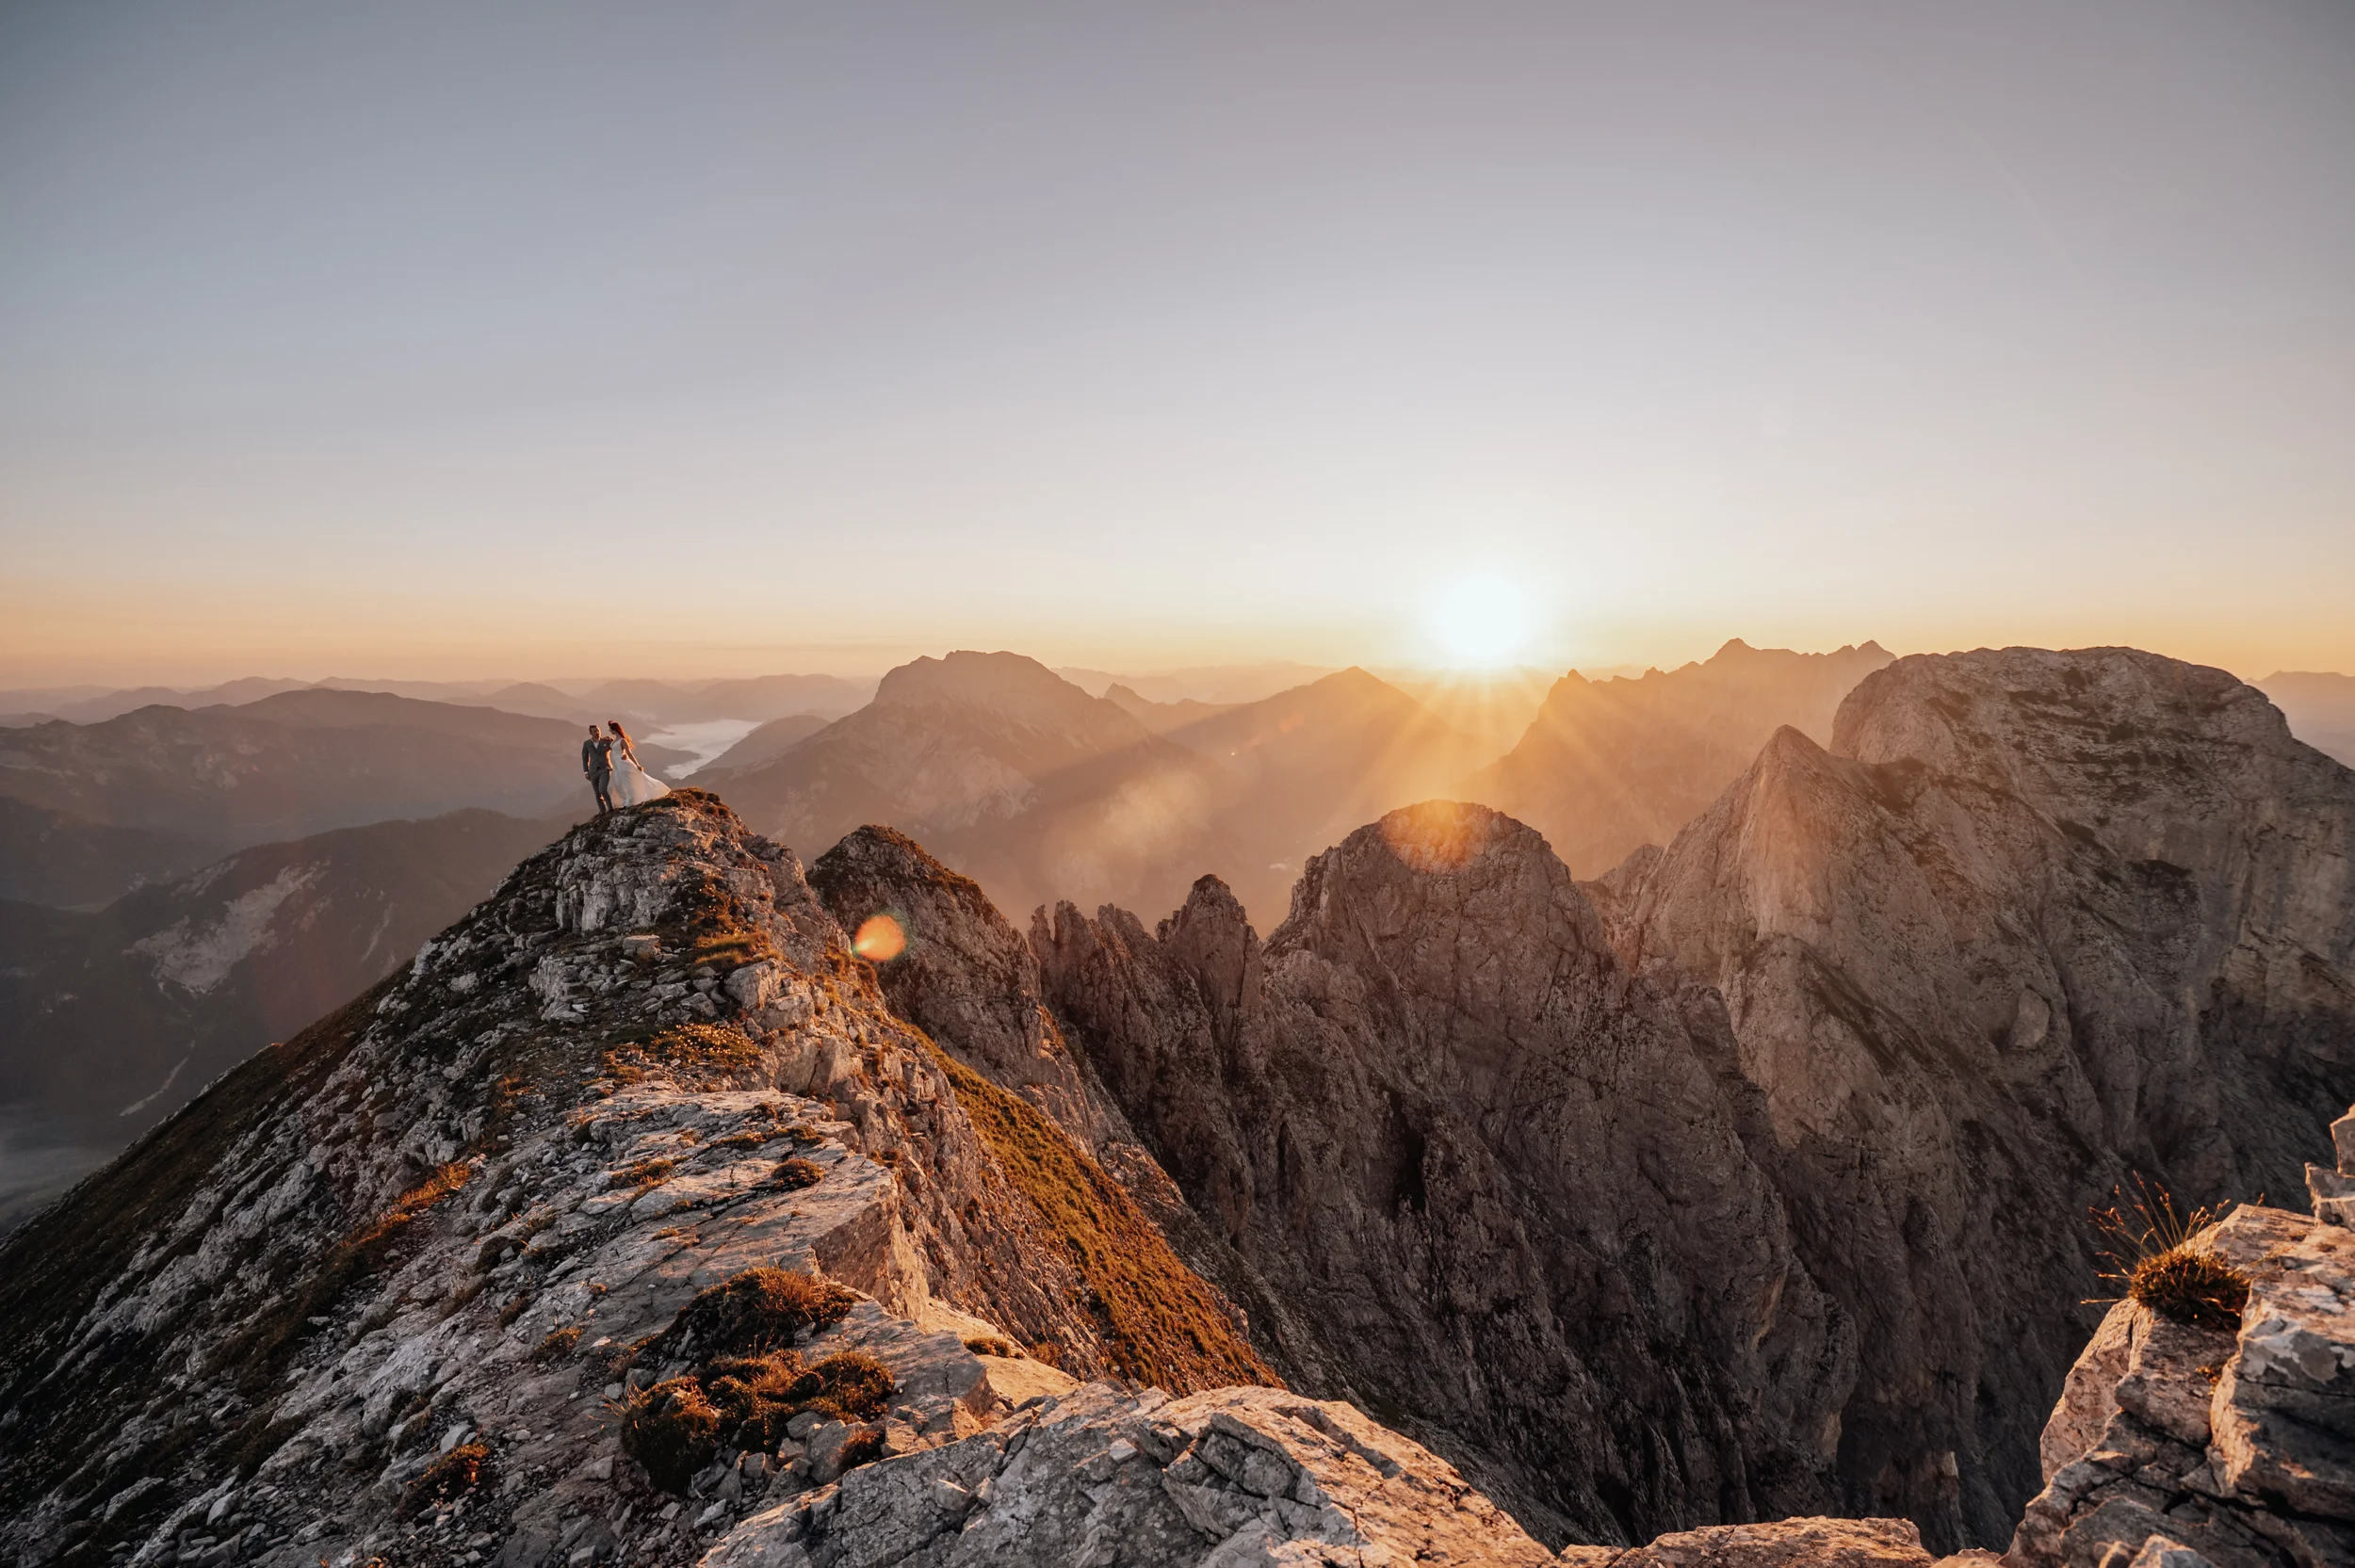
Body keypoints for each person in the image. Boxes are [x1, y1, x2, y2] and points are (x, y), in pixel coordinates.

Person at [606, 720, 671, 807]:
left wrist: (637, 765)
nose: (610, 731)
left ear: (614, 730)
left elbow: (629, 753)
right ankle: (626, 800)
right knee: (619, 783)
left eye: (610, 729)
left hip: (623, 764)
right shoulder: (614, 740)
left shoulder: (622, 741)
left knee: (627, 783)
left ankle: (630, 802)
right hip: (616, 765)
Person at [581, 724, 614, 815]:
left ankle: (610, 808)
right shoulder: (587, 744)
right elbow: (585, 758)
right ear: (590, 733)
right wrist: (586, 771)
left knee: (603, 789)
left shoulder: (606, 741)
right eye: (594, 731)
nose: (597, 733)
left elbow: (616, 748)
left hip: (605, 768)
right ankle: (602, 811)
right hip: (593, 771)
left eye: (598, 730)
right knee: (597, 793)